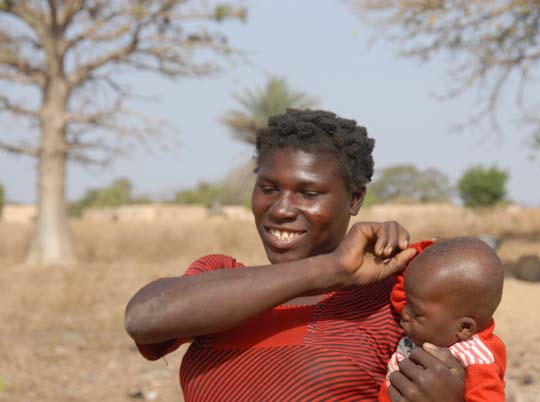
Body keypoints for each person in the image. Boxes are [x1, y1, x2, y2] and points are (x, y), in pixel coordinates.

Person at [125, 109, 465, 401]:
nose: (281, 209)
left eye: (309, 192)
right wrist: (330, 269)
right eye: (268, 188)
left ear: (355, 198)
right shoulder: (220, 277)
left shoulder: (395, 300)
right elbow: (143, 319)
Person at [380, 237, 506, 402]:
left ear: (464, 328)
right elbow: (407, 283)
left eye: (416, 313)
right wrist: (424, 248)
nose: (403, 311)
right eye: (408, 302)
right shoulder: (432, 313)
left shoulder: (477, 359)